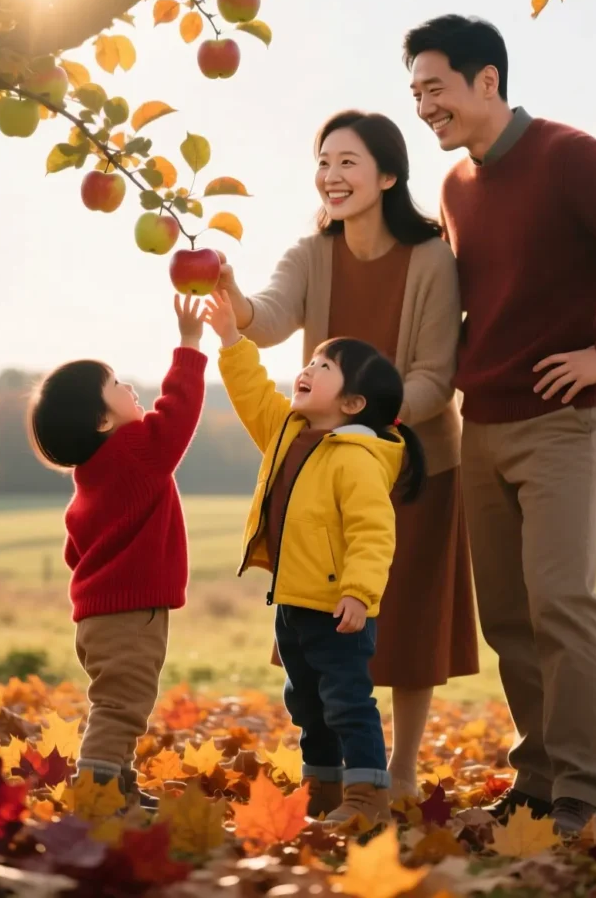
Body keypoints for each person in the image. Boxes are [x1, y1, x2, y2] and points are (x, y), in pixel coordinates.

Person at [404, 14, 596, 833]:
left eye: (437, 88)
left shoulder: (570, 156)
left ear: (487, 80)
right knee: (508, 614)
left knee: (562, 602)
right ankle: (537, 779)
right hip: (483, 423)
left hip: (563, 423)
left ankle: (582, 793)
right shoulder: (457, 186)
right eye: (416, 93)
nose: (426, 106)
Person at [217, 110, 480, 801]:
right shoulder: (311, 254)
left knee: (412, 626)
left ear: (388, 175)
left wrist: (365, 415)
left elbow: (435, 375)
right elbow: (269, 316)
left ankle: (402, 771)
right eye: (324, 161)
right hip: (324, 466)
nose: (331, 177)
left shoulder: (432, 258)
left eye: (348, 163)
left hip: (417, 463)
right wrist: (232, 299)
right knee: (323, 622)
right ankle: (335, 765)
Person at [203, 289, 426, 826]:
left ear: (352, 404)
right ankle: (322, 788)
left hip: (338, 607)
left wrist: (359, 593)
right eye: (310, 361)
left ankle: (368, 798)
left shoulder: (358, 460)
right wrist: (232, 339)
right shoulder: (290, 432)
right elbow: (254, 393)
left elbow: (374, 533)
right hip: (292, 601)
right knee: (307, 703)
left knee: (348, 702)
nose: (307, 369)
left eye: (324, 366)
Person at [27, 295, 208, 809]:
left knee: (119, 700)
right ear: (103, 422)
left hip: (98, 616)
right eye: (115, 385)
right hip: (130, 615)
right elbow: (178, 415)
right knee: (122, 706)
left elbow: (75, 549)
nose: (129, 387)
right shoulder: (135, 451)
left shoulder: (91, 477)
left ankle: (118, 782)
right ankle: (98, 790)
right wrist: (189, 345)